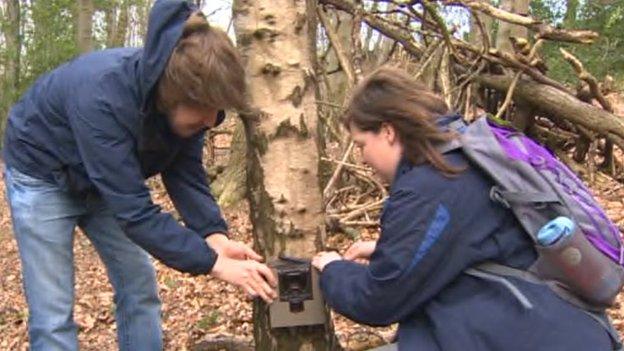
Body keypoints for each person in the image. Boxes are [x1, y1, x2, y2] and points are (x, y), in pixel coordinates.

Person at [3, 1, 276, 350]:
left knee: (139, 286)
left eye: (217, 110)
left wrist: (213, 234)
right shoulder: (103, 97)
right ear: (173, 93)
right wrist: (213, 264)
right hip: (41, 173)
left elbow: (185, 171)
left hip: (104, 180)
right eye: (204, 111)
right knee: (53, 310)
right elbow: (135, 214)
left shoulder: (186, 109)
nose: (212, 121)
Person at [312, 67, 615, 351]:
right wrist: (384, 249)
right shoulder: (465, 160)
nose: (362, 158)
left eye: (362, 144)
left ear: (388, 131)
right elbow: (470, 244)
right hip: (555, 327)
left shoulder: (430, 186)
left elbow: (378, 299)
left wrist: (332, 269)